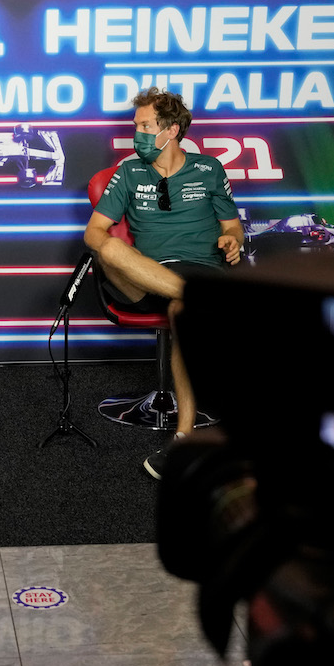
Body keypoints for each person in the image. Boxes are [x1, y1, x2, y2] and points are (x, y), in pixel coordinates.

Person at [83, 87, 242, 479]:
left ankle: (183, 438)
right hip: (141, 278)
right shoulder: (128, 171)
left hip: (201, 267)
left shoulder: (209, 169)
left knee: (181, 311)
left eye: (144, 125)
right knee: (110, 251)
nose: (135, 132)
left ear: (170, 130)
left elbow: (233, 226)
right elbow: (94, 233)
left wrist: (232, 241)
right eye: (135, 125)